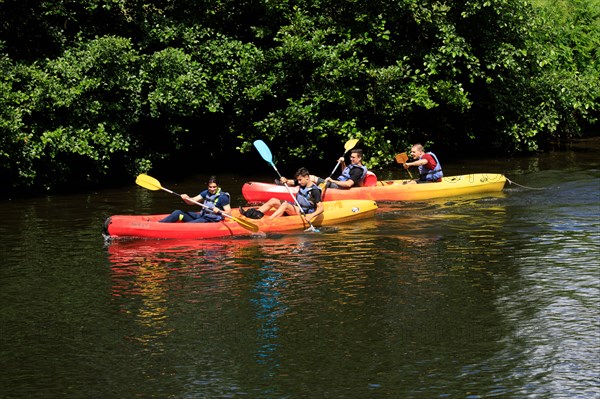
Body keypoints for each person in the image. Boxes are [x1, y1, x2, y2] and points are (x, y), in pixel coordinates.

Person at [240, 167, 324, 221]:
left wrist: (311, 216)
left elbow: (321, 208)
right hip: (296, 207)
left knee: (285, 205)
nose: (298, 182)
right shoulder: (301, 182)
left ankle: (269, 221)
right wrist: (284, 180)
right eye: (298, 180)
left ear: (306, 177)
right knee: (273, 200)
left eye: (300, 180)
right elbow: (288, 181)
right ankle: (255, 214)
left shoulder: (314, 191)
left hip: (304, 211)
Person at [276, 149, 368, 189]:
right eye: (351, 157)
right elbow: (345, 173)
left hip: (339, 187)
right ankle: (293, 185)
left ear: (359, 158)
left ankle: (287, 182)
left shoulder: (358, 170)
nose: (351, 159)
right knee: (310, 179)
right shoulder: (354, 167)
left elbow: (348, 184)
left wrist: (332, 181)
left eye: (353, 158)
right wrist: (343, 163)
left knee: (311, 178)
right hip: (338, 183)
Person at [159, 176, 231, 222]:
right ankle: (159, 225)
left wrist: (219, 211)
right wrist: (186, 198)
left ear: (218, 186)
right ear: (208, 186)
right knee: (178, 212)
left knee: (188, 225)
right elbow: (192, 202)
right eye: (210, 187)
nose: (212, 189)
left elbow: (229, 213)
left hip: (211, 220)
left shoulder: (223, 197)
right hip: (202, 216)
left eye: (214, 187)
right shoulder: (206, 193)